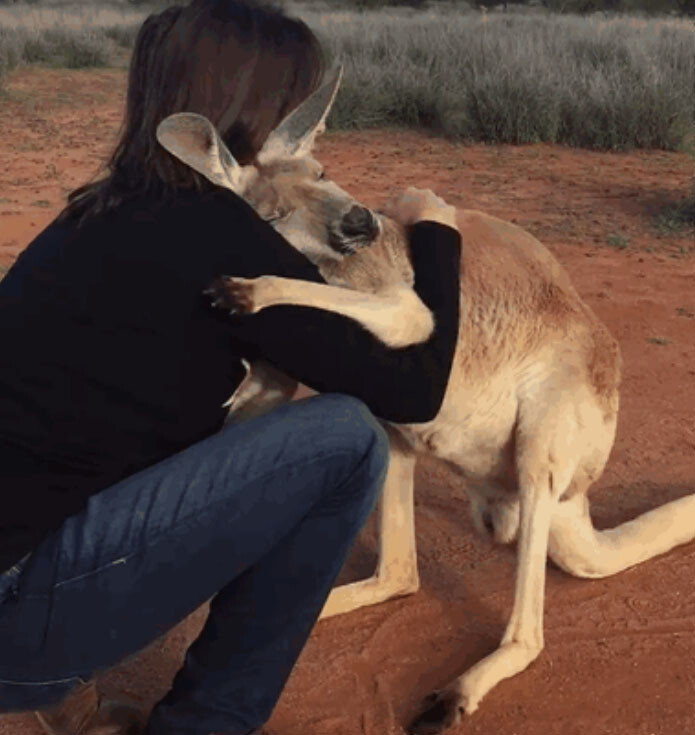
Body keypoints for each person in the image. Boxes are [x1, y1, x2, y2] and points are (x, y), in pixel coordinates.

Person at [0, 1, 462, 733]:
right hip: (16, 618)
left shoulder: (102, 207)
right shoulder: (219, 234)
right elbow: (416, 391)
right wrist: (438, 235)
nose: (316, 130)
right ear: (249, 111)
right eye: (294, 103)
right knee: (346, 439)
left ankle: (75, 707)